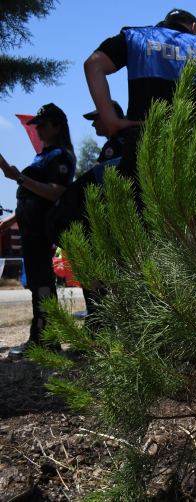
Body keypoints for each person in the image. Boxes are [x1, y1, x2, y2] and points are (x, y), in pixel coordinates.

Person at [83, 9, 196, 183]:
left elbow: (93, 64)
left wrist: (112, 122)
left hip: (139, 152)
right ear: (194, 28)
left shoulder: (135, 37)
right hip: (186, 160)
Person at [0, 104, 75, 359]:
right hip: (29, 227)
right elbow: (33, 194)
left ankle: (44, 338)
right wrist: (12, 219)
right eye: (37, 125)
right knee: (36, 282)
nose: (38, 129)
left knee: (42, 283)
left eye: (43, 125)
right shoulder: (43, 156)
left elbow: (56, 192)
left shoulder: (60, 157)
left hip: (41, 230)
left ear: (57, 127)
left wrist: (18, 178)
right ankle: (44, 337)